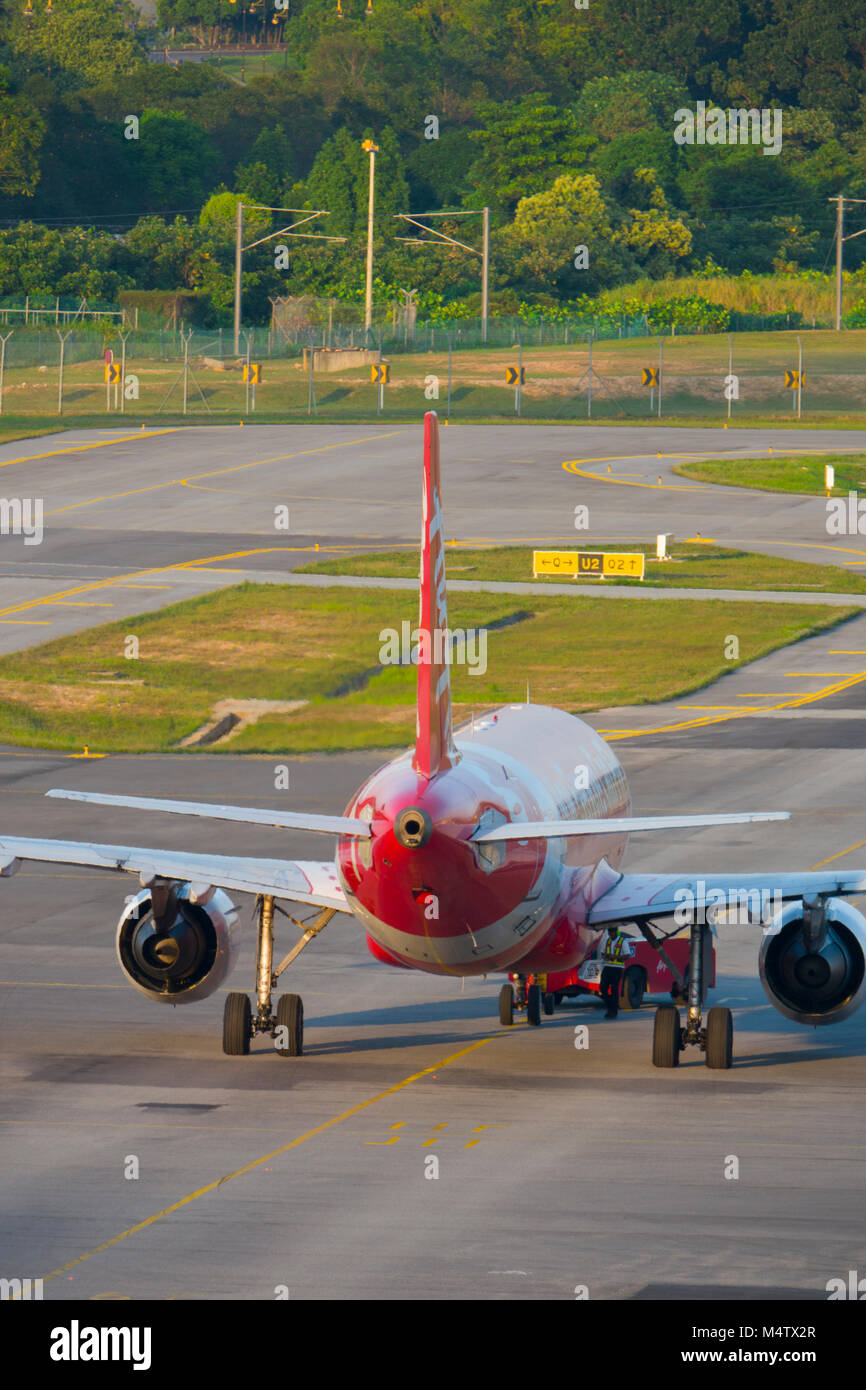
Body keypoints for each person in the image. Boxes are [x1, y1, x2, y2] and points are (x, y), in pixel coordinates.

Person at [600, 925, 631, 1018]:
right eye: (609, 932)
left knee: (614, 991)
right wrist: (606, 955)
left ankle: (612, 1012)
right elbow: (602, 953)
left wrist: (615, 957)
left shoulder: (622, 942)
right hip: (607, 967)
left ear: (616, 932)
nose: (610, 934)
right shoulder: (607, 941)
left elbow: (627, 956)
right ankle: (610, 1007)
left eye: (612, 932)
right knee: (603, 988)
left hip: (617, 968)